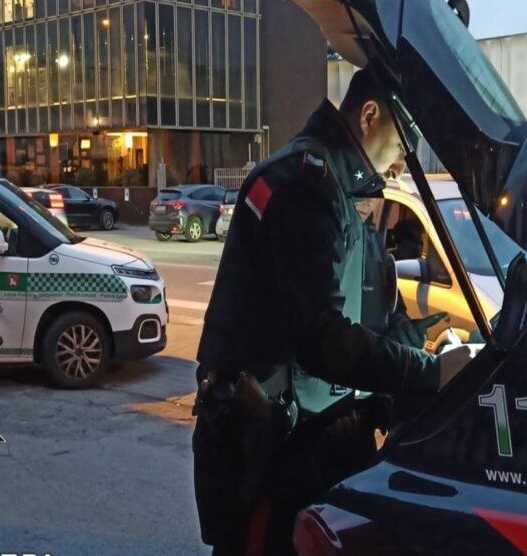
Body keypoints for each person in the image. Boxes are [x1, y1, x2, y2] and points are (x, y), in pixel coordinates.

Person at [192, 70, 472, 555]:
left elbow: (365, 319)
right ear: (369, 116)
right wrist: (432, 372)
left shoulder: (344, 191)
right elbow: (322, 340)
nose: (406, 161)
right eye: (405, 141)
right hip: (274, 455)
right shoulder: (306, 185)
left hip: (311, 445)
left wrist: (417, 335)